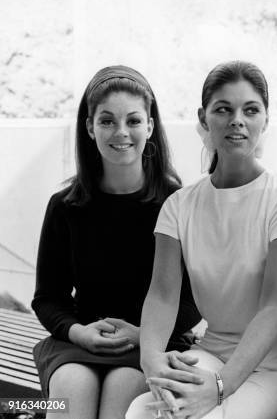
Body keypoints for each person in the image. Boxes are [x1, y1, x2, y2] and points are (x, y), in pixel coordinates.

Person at [125, 61, 277, 419]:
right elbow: (162, 295)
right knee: (141, 412)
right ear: (204, 117)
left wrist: (221, 386)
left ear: (265, 120)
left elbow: (274, 307)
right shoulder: (179, 205)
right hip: (212, 353)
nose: (237, 120)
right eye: (223, 109)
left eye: (250, 110)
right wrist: (152, 363)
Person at [31, 65, 201, 419]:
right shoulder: (64, 207)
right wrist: (79, 333)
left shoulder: (178, 203)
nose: (121, 132)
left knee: (122, 394)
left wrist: (143, 335)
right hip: (78, 343)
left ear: (150, 126)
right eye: (107, 121)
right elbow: (48, 298)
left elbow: (195, 300)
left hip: (153, 343)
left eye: (133, 121)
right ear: (90, 127)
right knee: (70, 393)